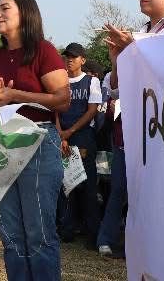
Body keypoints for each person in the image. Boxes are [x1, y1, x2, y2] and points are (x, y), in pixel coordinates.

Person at [0, 0, 70, 280]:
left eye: (5, 8)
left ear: (25, 13)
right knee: (12, 234)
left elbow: (63, 99)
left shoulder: (43, 50)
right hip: (2, 145)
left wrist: (16, 95)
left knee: (38, 232)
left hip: (38, 141)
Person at [98, 0, 164, 258]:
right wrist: (117, 61)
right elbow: (117, 91)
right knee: (132, 196)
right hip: (135, 130)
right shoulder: (141, 33)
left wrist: (134, 47)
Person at [57, 42, 103, 248]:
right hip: (62, 136)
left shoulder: (91, 82)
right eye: (67, 56)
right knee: (64, 184)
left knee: (87, 185)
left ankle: (92, 234)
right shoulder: (59, 81)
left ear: (82, 60)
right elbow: (55, 109)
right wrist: (61, 135)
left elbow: (92, 111)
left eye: (73, 57)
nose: (69, 60)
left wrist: (70, 132)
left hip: (83, 135)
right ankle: (66, 229)